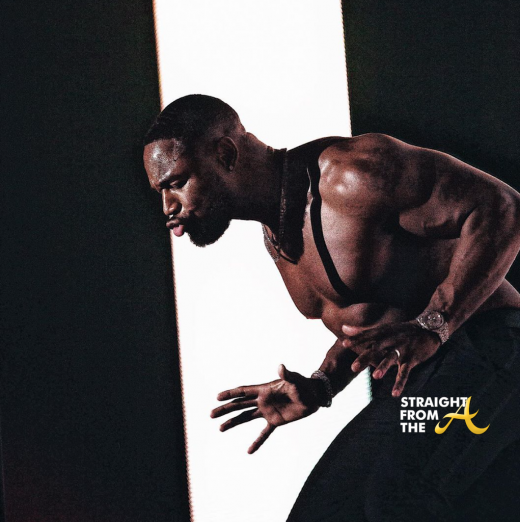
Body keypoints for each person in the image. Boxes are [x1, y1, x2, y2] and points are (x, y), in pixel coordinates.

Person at [143, 95, 520, 521]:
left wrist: (436, 323)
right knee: (324, 512)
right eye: (161, 191)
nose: (167, 207)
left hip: (491, 346)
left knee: (396, 499)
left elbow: (502, 207)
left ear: (225, 154)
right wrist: (322, 384)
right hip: (420, 374)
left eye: (177, 182)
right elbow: (370, 317)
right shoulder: (278, 234)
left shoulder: (352, 173)